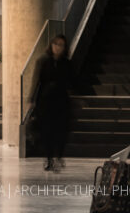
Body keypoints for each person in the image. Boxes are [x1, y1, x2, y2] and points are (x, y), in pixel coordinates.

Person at [30, 33, 73, 172]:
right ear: (51, 45)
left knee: (60, 131)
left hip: (61, 101)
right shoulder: (43, 61)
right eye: (55, 44)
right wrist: (32, 98)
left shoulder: (66, 63)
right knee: (46, 131)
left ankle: (58, 156)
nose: (57, 48)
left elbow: (71, 81)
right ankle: (49, 158)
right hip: (45, 101)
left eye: (61, 45)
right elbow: (36, 80)